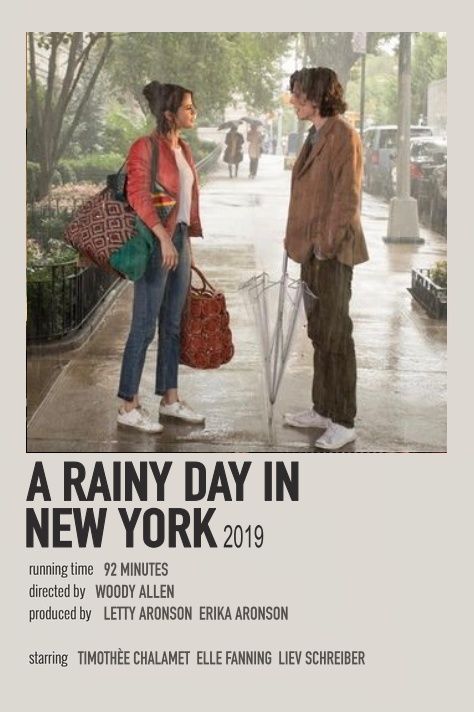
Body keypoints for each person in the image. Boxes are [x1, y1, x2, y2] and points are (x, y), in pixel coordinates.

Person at [283, 67, 369, 450]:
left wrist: (325, 245)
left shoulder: (342, 135)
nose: (293, 100)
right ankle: (322, 409)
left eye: (298, 94)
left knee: (336, 334)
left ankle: (343, 419)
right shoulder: (316, 134)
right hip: (311, 250)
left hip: (331, 253)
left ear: (316, 96)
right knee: (319, 333)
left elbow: (347, 197)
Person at [117, 81, 205, 433]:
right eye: (188, 108)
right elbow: (138, 195)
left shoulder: (182, 147)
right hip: (157, 242)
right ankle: (128, 404)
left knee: (172, 325)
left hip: (179, 239)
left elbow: (185, 202)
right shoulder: (145, 147)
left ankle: (170, 400)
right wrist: (164, 238)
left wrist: (186, 245)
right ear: (169, 114)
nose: (193, 113)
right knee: (144, 326)